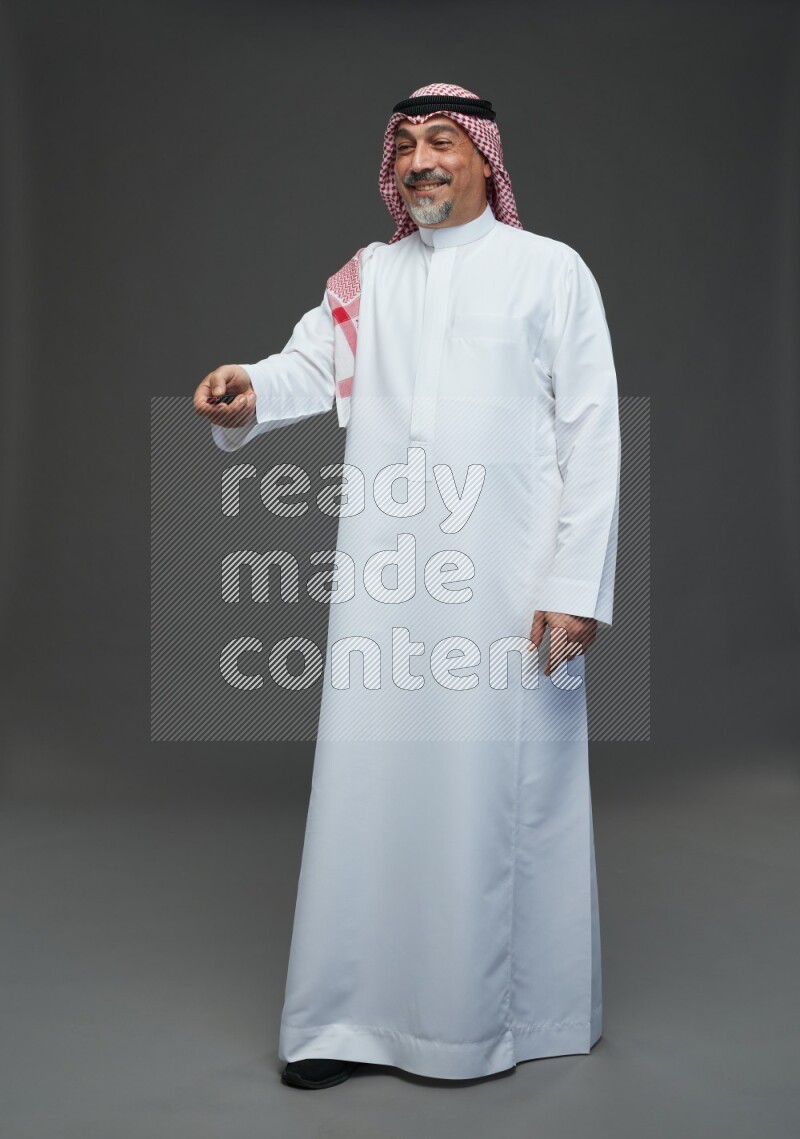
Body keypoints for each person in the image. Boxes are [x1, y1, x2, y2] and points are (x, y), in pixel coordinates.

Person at [194, 82, 621, 1091]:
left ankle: (485, 1024)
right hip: (390, 583)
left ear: (484, 158)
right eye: (404, 145)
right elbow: (307, 366)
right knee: (372, 788)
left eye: (440, 141)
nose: (419, 160)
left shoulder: (547, 272)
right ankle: (346, 1019)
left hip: (511, 586)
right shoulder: (369, 278)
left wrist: (574, 584)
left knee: (495, 795)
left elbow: (591, 431)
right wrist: (248, 390)